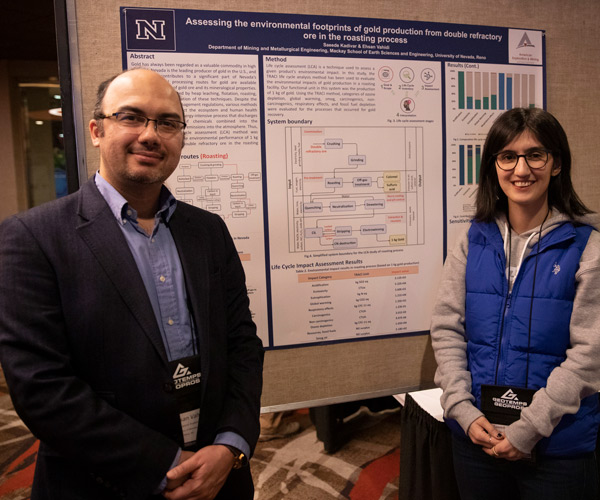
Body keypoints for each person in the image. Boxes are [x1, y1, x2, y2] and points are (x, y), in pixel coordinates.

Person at [0, 68, 264, 499]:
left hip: (219, 475)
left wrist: (231, 444)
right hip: (100, 483)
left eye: (167, 122)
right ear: (96, 130)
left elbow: (242, 344)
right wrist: (163, 463)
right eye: (131, 117)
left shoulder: (208, 230)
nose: (151, 135)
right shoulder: (32, 237)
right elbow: (40, 386)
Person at [431, 107, 600, 499]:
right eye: (508, 156)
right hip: (476, 438)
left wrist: (528, 429)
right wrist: (462, 409)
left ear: (556, 164)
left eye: (535, 155)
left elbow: (590, 354)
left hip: (556, 448)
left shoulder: (586, 246)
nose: (521, 169)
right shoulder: (471, 240)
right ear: (494, 165)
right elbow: (447, 328)